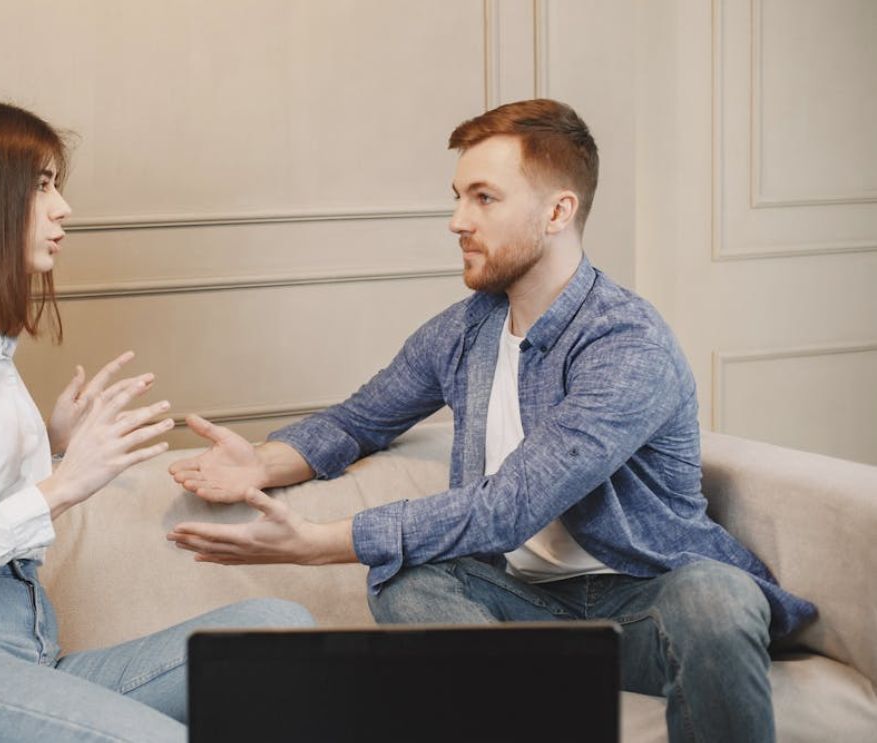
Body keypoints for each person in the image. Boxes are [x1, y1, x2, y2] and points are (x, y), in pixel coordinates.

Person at [166, 99, 815, 743]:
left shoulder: (625, 342)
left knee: (716, 593)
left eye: (483, 198)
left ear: (557, 211)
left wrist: (319, 539)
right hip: (519, 608)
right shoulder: (462, 332)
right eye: (457, 196)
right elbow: (358, 420)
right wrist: (262, 462)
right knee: (407, 580)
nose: (456, 221)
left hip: (646, 604)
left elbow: (510, 505)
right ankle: (525, 707)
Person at [0, 98, 313, 743]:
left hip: (29, 650)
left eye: (57, 185)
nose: (63, 208)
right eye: (42, 186)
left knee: (279, 633)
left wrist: (53, 445)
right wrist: (63, 484)